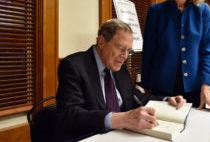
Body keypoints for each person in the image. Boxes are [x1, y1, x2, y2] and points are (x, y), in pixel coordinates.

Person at [53, 19, 186, 142]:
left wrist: (166, 99)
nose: (125, 56)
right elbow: (69, 114)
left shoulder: (120, 69)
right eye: (121, 48)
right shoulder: (74, 66)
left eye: (129, 51)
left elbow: (134, 96)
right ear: (101, 41)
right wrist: (121, 119)